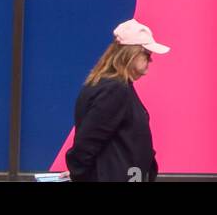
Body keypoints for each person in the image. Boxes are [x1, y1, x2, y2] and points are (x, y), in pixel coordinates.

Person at [65, 20, 170, 183]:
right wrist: (79, 174)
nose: (151, 61)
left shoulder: (110, 86)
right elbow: (86, 144)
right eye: (147, 55)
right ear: (132, 54)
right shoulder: (115, 90)